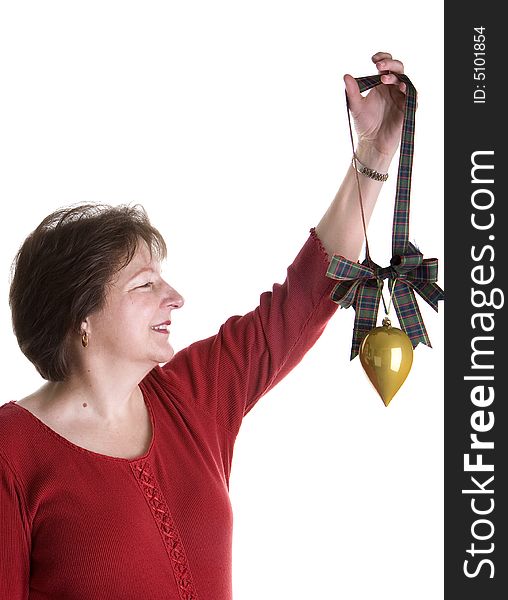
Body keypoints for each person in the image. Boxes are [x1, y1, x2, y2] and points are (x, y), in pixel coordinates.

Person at [0, 52, 408, 599]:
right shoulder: (11, 453)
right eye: (144, 285)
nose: (174, 297)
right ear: (81, 317)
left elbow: (309, 292)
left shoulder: (196, 396)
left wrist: (375, 152)